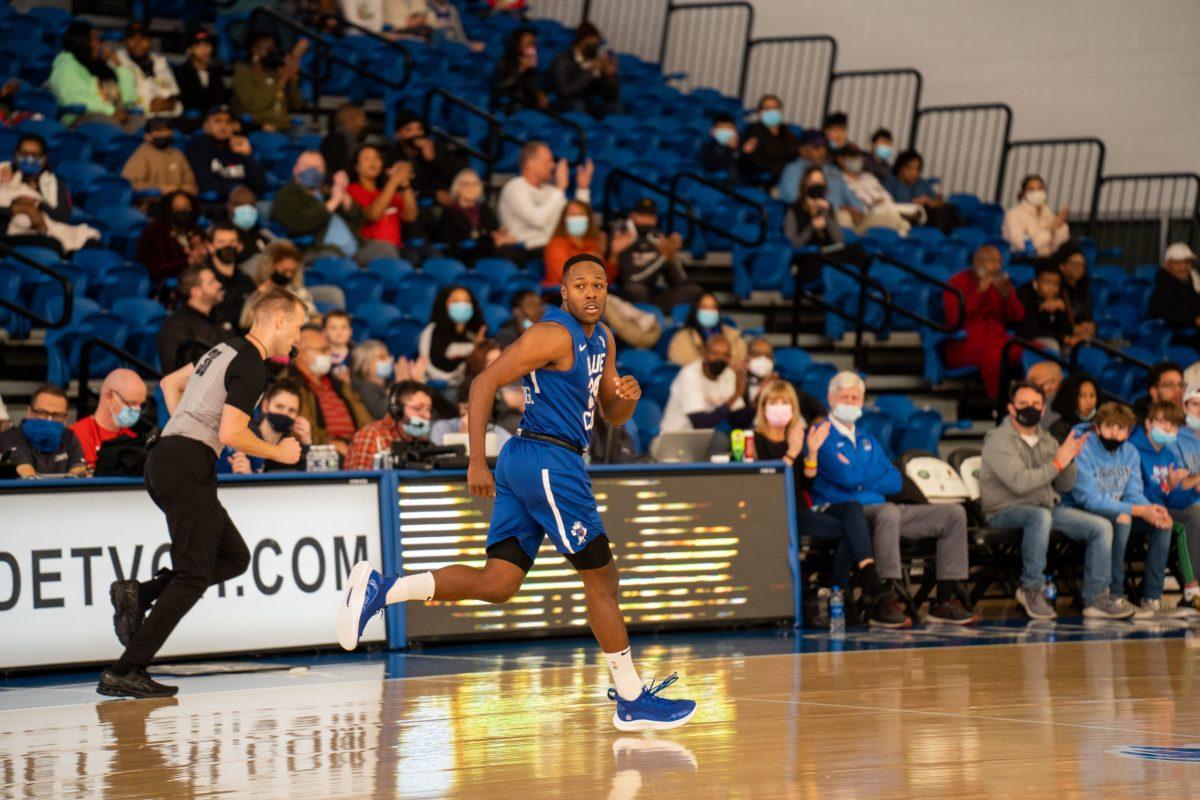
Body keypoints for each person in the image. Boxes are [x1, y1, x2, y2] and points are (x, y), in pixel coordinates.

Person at [339, 252, 697, 732]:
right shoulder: (552, 334)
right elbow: (484, 380)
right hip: (548, 460)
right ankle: (631, 698)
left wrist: (625, 399)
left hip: (541, 460)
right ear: (564, 292)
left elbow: (610, 414)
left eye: (599, 284)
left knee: (499, 584)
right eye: (581, 285)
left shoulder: (604, 339)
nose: (591, 292)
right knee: (603, 580)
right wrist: (475, 458)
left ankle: (385, 590)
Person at [99, 288, 306, 698]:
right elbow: (232, 433)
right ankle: (126, 670)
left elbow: (170, 384)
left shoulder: (222, 349)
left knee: (233, 556)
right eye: (298, 327)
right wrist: (279, 451)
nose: (297, 338)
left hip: (171, 458)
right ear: (278, 320)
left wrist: (185, 429)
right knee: (194, 574)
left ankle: (140, 593)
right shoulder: (252, 363)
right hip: (184, 464)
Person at [810, 371, 978, 624]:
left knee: (953, 514)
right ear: (831, 400)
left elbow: (895, 479)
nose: (850, 402)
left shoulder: (867, 436)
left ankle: (943, 599)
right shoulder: (821, 435)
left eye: (855, 398)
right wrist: (872, 473)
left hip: (883, 508)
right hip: (849, 514)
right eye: (844, 397)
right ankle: (883, 598)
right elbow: (845, 478)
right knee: (887, 512)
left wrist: (860, 475)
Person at [752, 379, 907, 627]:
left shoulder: (798, 436)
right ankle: (847, 590)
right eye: (774, 403)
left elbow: (807, 484)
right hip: (775, 513)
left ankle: (841, 588)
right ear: (763, 407)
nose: (780, 408)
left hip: (799, 509)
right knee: (851, 526)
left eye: (785, 403)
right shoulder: (754, 440)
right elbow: (767, 484)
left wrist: (811, 452)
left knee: (851, 512)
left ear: (794, 408)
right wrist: (792, 453)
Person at [980, 381, 1130, 619]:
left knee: (1101, 526)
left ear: (1042, 410)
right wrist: (1058, 463)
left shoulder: (1047, 438)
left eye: (1036, 404)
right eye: (1023, 404)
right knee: (1039, 516)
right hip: (1004, 510)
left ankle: (1095, 599)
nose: (1030, 408)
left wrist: (1070, 460)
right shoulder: (998, 440)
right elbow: (1020, 483)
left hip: (1046, 506)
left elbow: (1064, 485)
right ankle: (1031, 589)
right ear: (1011, 408)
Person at [1063, 401, 1179, 619]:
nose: (1115, 434)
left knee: (1162, 523)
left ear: (1129, 431)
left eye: (1121, 428)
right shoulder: (1084, 449)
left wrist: (1151, 509)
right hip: (1080, 510)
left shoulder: (1130, 453)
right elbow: (1089, 499)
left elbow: (1134, 493)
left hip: (1116, 507)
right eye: (1109, 427)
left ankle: (1152, 598)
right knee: (1123, 518)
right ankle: (1115, 596)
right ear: (1098, 427)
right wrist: (1137, 510)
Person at [1129, 400, 1200, 616]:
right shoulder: (1133, 449)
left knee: (1192, 516)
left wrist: (1194, 490)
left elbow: (1173, 501)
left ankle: (1179, 594)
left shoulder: (1167, 454)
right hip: (1135, 511)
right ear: (1149, 423)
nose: (1168, 429)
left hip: (1159, 510)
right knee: (1180, 523)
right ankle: (1190, 591)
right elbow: (1135, 496)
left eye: (1174, 425)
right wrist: (1165, 485)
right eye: (1162, 422)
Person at [271, 150, 397, 264]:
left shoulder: (328, 192)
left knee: (386, 250)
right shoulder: (286, 195)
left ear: (324, 172)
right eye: (306, 166)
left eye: (317, 167)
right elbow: (301, 223)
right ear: (295, 169)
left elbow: (360, 220)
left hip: (356, 249)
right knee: (334, 261)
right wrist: (334, 201)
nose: (312, 170)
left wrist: (344, 195)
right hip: (318, 251)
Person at [944, 245, 1025, 399]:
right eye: (992, 262)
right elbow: (954, 319)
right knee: (994, 355)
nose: (997, 266)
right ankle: (997, 404)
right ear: (977, 263)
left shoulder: (1001, 283)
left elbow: (1018, 317)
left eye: (999, 262)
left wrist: (1008, 296)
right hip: (965, 344)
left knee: (1037, 350)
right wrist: (980, 291)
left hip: (999, 339)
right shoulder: (956, 282)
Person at [285, 325, 374, 458]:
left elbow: (365, 420)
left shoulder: (338, 384)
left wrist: (369, 440)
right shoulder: (290, 385)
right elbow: (299, 429)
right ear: (301, 353)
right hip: (323, 453)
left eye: (328, 349)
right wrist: (328, 443)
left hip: (355, 447)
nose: (329, 354)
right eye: (323, 350)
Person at [497, 141, 592, 252]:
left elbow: (573, 218)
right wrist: (560, 188)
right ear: (531, 163)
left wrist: (582, 189)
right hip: (525, 253)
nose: (553, 165)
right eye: (548, 161)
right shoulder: (514, 187)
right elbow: (538, 220)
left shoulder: (551, 191)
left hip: (553, 249)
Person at [614, 197, 703, 312]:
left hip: (653, 294)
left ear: (656, 219)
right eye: (642, 215)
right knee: (638, 290)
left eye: (650, 217)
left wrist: (672, 257)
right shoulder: (623, 237)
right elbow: (632, 279)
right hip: (629, 294)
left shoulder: (658, 238)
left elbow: (678, 281)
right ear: (632, 216)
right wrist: (662, 258)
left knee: (694, 291)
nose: (646, 221)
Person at [48, 21, 137, 129]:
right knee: (107, 123)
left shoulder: (101, 66)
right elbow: (76, 99)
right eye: (94, 39)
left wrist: (118, 64)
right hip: (80, 119)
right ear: (81, 40)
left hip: (111, 116)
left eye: (99, 40)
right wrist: (111, 111)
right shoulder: (66, 65)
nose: (99, 44)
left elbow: (129, 98)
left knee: (141, 123)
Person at [220, 378, 312, 474]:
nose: (284, 413)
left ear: (297, 415)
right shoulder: (242, 437)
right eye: (279, 406)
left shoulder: (291, 447)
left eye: (291, 410)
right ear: (265, 406)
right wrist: (244, 477)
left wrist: (306, 443)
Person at [660, 333, 743, 434]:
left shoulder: (729, 374)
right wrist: (736, 395)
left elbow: (739, 419)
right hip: (674, 437)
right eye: (715, 353)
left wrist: (757, 400)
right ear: (705, 353)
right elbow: (700, 423)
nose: (720, 359)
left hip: (705, 440)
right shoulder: (690, 373)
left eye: (725, 355)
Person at [156, 265, 235, 371]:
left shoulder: (220, 315)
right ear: (196, 292)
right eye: (212, 282)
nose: (219, 285)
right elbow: (178, 370)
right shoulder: (176, 326)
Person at [775, 131, 864, 225]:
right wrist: (835, 208)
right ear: (802, 150)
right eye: (816, 147)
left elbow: (850, 196)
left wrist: (856, 209)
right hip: (813, 219)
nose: (821, 150)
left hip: (847, 216)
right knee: (843, 218)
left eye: (824, 146)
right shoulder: (793, 170)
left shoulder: (833, 170)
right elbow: (794, 199)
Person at [0, 385, 87, 477]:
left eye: (57, 415)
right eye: (42, 413)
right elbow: (26, 472)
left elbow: (79, 470)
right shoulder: (9, 437)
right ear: (29, 412)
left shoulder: (69, 436)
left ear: (66, 419)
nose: (49, 420)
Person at [344, 380, 434, 469]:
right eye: (418, 408)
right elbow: (362, 481)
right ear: (397, 411)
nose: (427, 415)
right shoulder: (371, 436)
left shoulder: (422, 441)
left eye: (429, 409)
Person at [185, 104, 268, 200]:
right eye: (218, 121)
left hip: (245, 200)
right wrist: (236, 190)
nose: (223, 125)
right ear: (206, 126)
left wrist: (248, 155)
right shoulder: (197, 147)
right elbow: (204, 183)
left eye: (228, 122)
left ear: (234, 126)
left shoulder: (240, 147)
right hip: (217, 204)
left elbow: (261, 186)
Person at [70, 368, 148, 470]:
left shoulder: (131, 438)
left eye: (141, 404)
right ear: (109, 396)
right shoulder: (77, 434)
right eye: (131, 403)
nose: (137, 410)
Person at [387, 109, 466, 208]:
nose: (416, 134)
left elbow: (455, 175)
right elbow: (408, 185)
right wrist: (435, 194)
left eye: (419, 128)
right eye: (409, 130)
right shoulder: (392, 155)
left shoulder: (435, 147)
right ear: (398, 135)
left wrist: (433, 160)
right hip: (415, 203)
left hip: (445, 198)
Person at [437, 168, 519, 263]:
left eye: (475, 184)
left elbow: (492, 231)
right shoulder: (449, 213)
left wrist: (500, 235)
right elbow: (453, 243)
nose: (471, 187)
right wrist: (493, 242)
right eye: (466, 184)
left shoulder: (485, 210)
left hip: (488, 251)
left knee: (513, 251)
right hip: (463, 256)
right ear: (457, 188)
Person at [347, 144, 417, 252]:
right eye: (366, 158)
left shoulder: (387, 191)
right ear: (356, 166)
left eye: (377, 158)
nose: (373, 162)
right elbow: (372, 215)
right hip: (371, 249)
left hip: (397, 248)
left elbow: (410, 217)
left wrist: (405, 186)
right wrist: (393, 181)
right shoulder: (352, 190)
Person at [231, 33, 307, 133]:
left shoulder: (275, 74)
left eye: (273, 48)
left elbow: (297, 104)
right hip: (258, 126)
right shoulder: (243, 74)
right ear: (254, 49)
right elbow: (254, 105)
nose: (271, 52)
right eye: (267, 48)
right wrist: (280, 82)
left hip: (284, 125)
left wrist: (292, 80)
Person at [548, 21, 620, 118]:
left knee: (614, 106)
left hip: (588, 101)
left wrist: (610, 77)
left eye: (597, 44)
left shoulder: (597, 60)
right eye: (591, 43)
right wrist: (590, 72)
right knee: (578, 105)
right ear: (581, 41)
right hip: (565, 101)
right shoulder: (563, 60)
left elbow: (610, 96)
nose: (595, 47)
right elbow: (565, 91)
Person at [419, 285, 488, 386]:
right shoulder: (432, 330)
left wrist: (480, 348)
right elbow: (431, 368)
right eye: (456, 301)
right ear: (444, 304)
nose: (462, 305)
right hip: (441, 388)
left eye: (466, 301)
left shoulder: (472, 336)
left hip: (467, 386)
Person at [542, 200, 623, 286]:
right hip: (561, 294)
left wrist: (614, 254)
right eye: (573, 215)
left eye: (581, 214)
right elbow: (565, 277)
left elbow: (607, 279)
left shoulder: (593, 243)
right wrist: (588, 261)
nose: (577, 218)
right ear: (564, 219)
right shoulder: (556, 245)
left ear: (588, 219)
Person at [835, 144, 912, 234]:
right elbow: (833, 203)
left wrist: (880, 201)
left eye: (859, 157)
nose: (857, 160)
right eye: (853, 157)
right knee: (891, 216)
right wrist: (850, 209)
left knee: (893, 214)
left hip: (880, 212)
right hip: (860, 220)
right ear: (840, 159)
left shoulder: (869, 177)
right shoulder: (836, 179)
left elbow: (887, 197)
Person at [136, 189, 205, 284]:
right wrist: (188, 261)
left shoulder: (196, 230)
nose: (183, 211)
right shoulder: (155, 231)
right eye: (177, 207)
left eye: (187, 206)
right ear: (169, 209)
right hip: (165, 284)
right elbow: (155, 269)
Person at [245, 240, 321, 325]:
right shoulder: (257, 290)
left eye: (292, 271)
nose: (288, 275)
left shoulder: (298, 291)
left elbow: (314, 316)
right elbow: (247, 321)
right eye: (285, 271)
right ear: (271, 265)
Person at [115, 21, 181, 119]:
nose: (138, 42)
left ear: (150, 41)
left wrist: (167, 105)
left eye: (143, 38)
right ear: (125, 41)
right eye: (133, 38)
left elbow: (173, 96)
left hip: (164, 120)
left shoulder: (159, 61)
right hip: (133, 120)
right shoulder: (116, 60)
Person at [1, 134, 72, 224]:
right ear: (16, 155)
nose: (29, 159)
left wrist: (37, 203)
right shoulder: (3, 175)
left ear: (45, 158)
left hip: (41, 234)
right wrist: (24, 208)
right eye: (24, 154)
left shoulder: (56, 184)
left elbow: (64, 219)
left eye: (35, 155)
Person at [884, 149, 959, 233]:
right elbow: (888, 205)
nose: (914, 172)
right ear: (900, 168)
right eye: (910, 168)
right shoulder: (890, 183)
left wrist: (930, 202)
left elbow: (938, 200)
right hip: (904, 218)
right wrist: (914, 202)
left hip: (927, 217)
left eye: (917, 169)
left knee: (949, 209)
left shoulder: (921, 182)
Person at [350, 340, 427, 420]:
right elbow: (382, 413)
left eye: (388, 355)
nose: (389, 360)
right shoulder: (363, 387)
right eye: (382, 357)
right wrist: (399, 386)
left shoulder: (389, 382)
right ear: (365, 364)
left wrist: (417, 382)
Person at [667, 292, 746, 368]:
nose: (709, 311)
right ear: (695, 311)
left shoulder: (732, 334)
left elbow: (740, 362)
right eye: (704, 307)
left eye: (713, 307)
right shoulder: (682, 338)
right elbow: (681, 366)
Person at [121, 119, 198, 196]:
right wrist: (159, 189)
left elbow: (191, 182)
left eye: (167, 130)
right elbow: (129, 182)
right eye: (159, 131)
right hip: (153, 200)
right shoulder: (142, 154)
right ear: (147, 136)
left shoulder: (177, 154)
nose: (164, 134)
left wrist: (181, 188)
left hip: (179, 198)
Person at [1003, 174, 1070, 257]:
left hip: (1048, 260)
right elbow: (1022, 246)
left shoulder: (1049, 215)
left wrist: (1061, 226)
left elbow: (1058, 248)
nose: (1037, 192)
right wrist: (1051, 230)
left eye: (1040, 188)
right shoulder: (1013, 215)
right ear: (1023, 193)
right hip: (1023, 260)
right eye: (1031, 189)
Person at [739, 94, 799, 185]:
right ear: (759, 112)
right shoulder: (753, 131)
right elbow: (754, 160)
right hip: (766, 179)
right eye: (767, 109)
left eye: (774, 108)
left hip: (788, 176)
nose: (771, 111)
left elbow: (794, 153)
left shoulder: (788, 133)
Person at [1016, 261, 1075, 351]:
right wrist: (1062, 338)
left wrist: (1062, 311)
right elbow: (1029, 332)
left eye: (1055, 283)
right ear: (1035, 282)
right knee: (1051, 346)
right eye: (1047, 282)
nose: (1051, 287)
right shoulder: (1023, 296)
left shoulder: (1059, 297)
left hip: (1057, 341)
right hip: (1028, 343)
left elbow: (1068, 332)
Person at [207, 222, 254, 329]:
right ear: (210, 247)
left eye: (232, 242)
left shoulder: (246, 280)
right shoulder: (203, 281)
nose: (227, 246)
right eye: (221, 242)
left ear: (239, 246)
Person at [174, 29, 228, 118]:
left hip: (214, 120)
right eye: (198, 46)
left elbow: (221, 100)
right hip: (190, 122)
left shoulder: (216, 73)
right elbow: (185, 103)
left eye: (207, 45)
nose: (204, 50)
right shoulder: (180, 73)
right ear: (190, 50)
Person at [1147, 243, 1200, 336]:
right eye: (1178, 263)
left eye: (1187, 262)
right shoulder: (1162, 287)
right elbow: (1162, 313)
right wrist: (1194, 320)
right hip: (1176, 336)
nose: (1183, 267)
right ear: (1167, 265)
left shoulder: (1189, 282)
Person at [492, 26, 548, 113]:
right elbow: (500, 89)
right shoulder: (505, 62)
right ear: (517, 43)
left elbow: (535, 86)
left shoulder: (533, 63)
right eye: (528, 43)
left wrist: (540, 94)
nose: (532, 47)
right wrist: (520, 70)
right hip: (510, 108)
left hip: (529, 108)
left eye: (533, 43)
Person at [1054, 240, 1096, 342]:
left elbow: (1088, 317)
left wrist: (1092, 326)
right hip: (1065, 339)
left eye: (1082, 265)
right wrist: (1074, 330)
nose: (1079, 269)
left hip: (1083, 337)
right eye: (1075, 264)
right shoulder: (1055, 289)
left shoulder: (1084, 289)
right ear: (1062, 267)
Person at [320, 103, 368, 178]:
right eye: (362, 118)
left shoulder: (331, 139)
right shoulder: (335, 141)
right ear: (351, 120)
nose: (364, 124)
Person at [1049, 372, 1099, 442]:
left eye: (1092, 395)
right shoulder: (1060, 429)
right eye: (1082, 396)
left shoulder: (1103, 424)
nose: (1089, 401)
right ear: (1071, 397)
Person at [700, 113, 741, 180]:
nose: (725, 131)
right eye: (721, 128)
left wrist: (736, 150)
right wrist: (729, 150)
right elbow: (711, 167)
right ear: (712, 131)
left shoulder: (741, 147)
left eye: (729, 128)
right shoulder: (706, 147)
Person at [323, 309, 354, 379]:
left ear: (350, 331)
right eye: (333, 328)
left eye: (343, 327)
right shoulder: (319, 354)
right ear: (324, 332)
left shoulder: (356, 354)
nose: (339, 332)